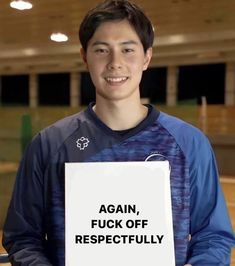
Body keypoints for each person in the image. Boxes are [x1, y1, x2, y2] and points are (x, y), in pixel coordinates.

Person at [2, 0, 235, 265]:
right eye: (102, 50)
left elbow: (214, 236)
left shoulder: (189, 143)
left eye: (128, 50)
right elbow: (22, 237)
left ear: (147, 57)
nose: (115, 63)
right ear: (84, 56)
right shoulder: (49, 144)